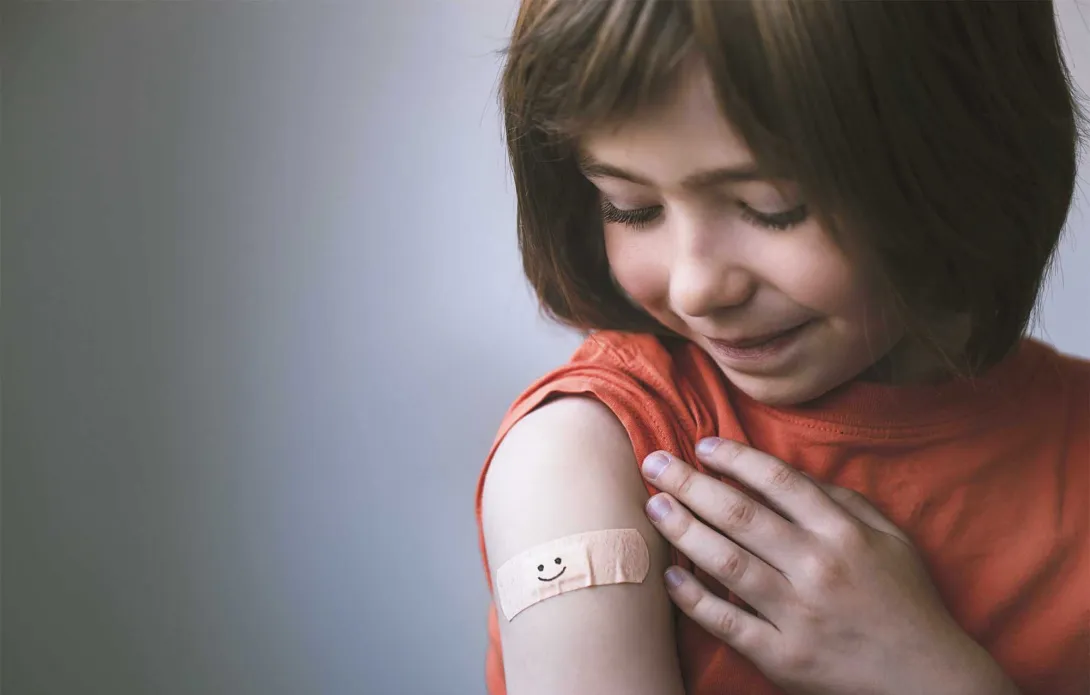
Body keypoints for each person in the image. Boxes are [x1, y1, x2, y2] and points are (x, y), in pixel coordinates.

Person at [474, 2, 1089, 694]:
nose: (697, 286)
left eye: (772, 208)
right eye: (631, 207)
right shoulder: (580, 455)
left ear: (964, 151)